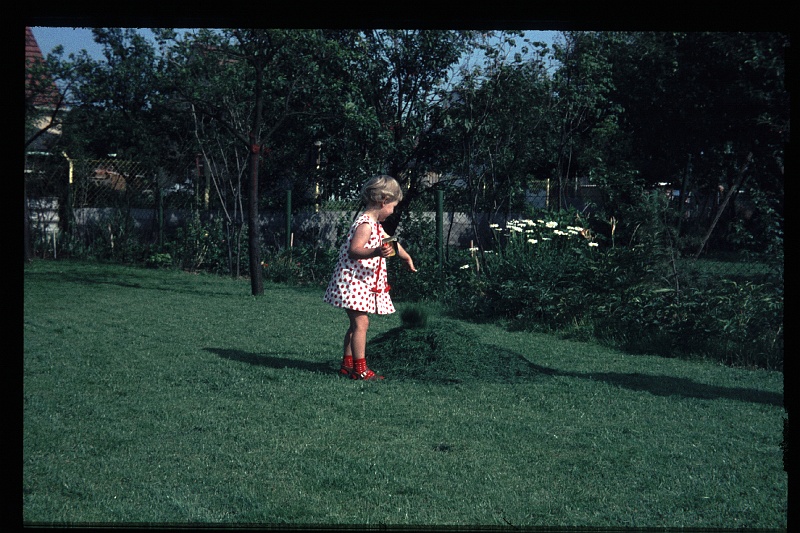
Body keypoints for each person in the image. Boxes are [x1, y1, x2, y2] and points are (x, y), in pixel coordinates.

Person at [323, 175, 417, 380]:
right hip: (352, 282)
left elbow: (391, 242)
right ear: (383, 201)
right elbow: (354, 250)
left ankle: (347, 364)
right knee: (361, 325)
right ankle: (360, 370)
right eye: (392, 206)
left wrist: (406, 257)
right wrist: (375, 251)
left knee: (356, 325)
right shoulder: (365, 224)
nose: (393, 211)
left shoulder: (375, 225)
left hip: (359, 283)